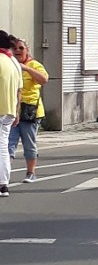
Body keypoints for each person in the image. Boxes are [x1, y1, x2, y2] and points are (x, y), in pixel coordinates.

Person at [8, 38, 48, 182]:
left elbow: (44, 80)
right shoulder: (9, 64)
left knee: (29, 143)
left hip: (30, 111)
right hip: (12, 110)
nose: (17, 51)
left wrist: (27, 69)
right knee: (8, 144)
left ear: (27, 50)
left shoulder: (34, 64)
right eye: (14, 48)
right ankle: (4, 174)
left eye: (21, 48)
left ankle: (31, 172)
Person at [0, 30, 22, 198]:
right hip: (9, 110)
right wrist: (16, 110)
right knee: (3, 147)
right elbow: (19, 90)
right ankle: (3, 184)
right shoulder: (13, 61)